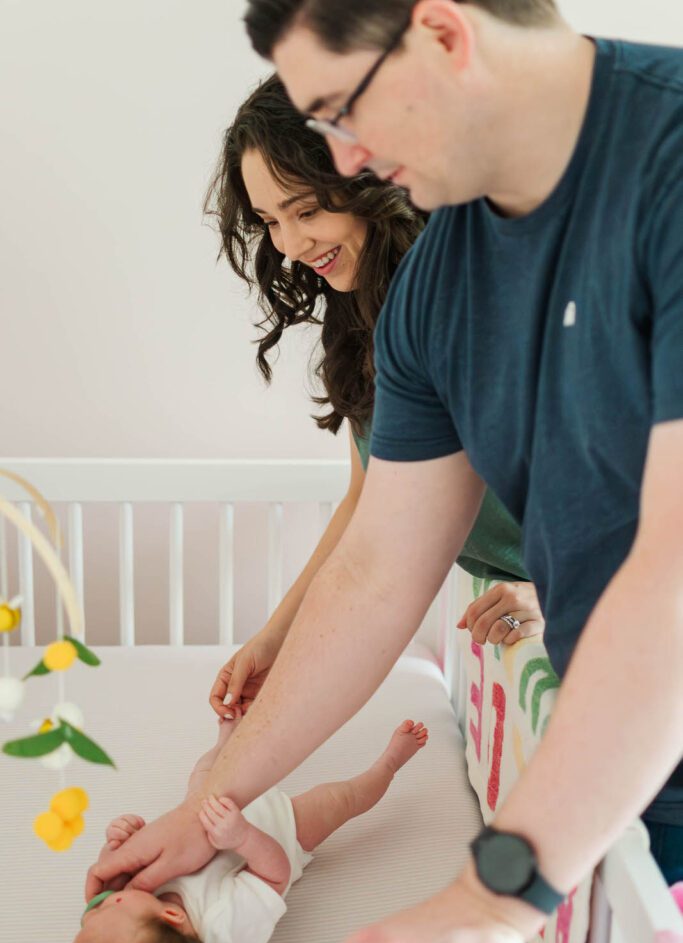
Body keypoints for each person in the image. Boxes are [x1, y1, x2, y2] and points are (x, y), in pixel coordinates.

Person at [87, 3, 683, 943]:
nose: (347, 157)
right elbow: (375, 569)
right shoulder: (438, 285)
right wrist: (206, 804)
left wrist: (488, 901)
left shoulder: (661, 168)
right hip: (623, 769)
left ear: (442, 34)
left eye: (339, 113)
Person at [202, 74, 543, 722]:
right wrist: (276, 639)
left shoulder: (490, 305)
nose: (290, 246)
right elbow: (368, 503)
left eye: (306, 210)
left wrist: (557, 595)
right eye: (270, 221)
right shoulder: (362, 313)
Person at [71, 707, 429, 943]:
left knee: (203, 772)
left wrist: (119, 840)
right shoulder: (225, 927)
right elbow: (275, 874)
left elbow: (124, 860)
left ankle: (227, 743)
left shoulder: (132, 903)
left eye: (91, 913)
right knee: (344, 799)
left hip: (206, 807)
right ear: (171, 916)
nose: (100, 903)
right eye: (107, 908)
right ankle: (388, 765)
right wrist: (241, 836)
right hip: (279, 828)